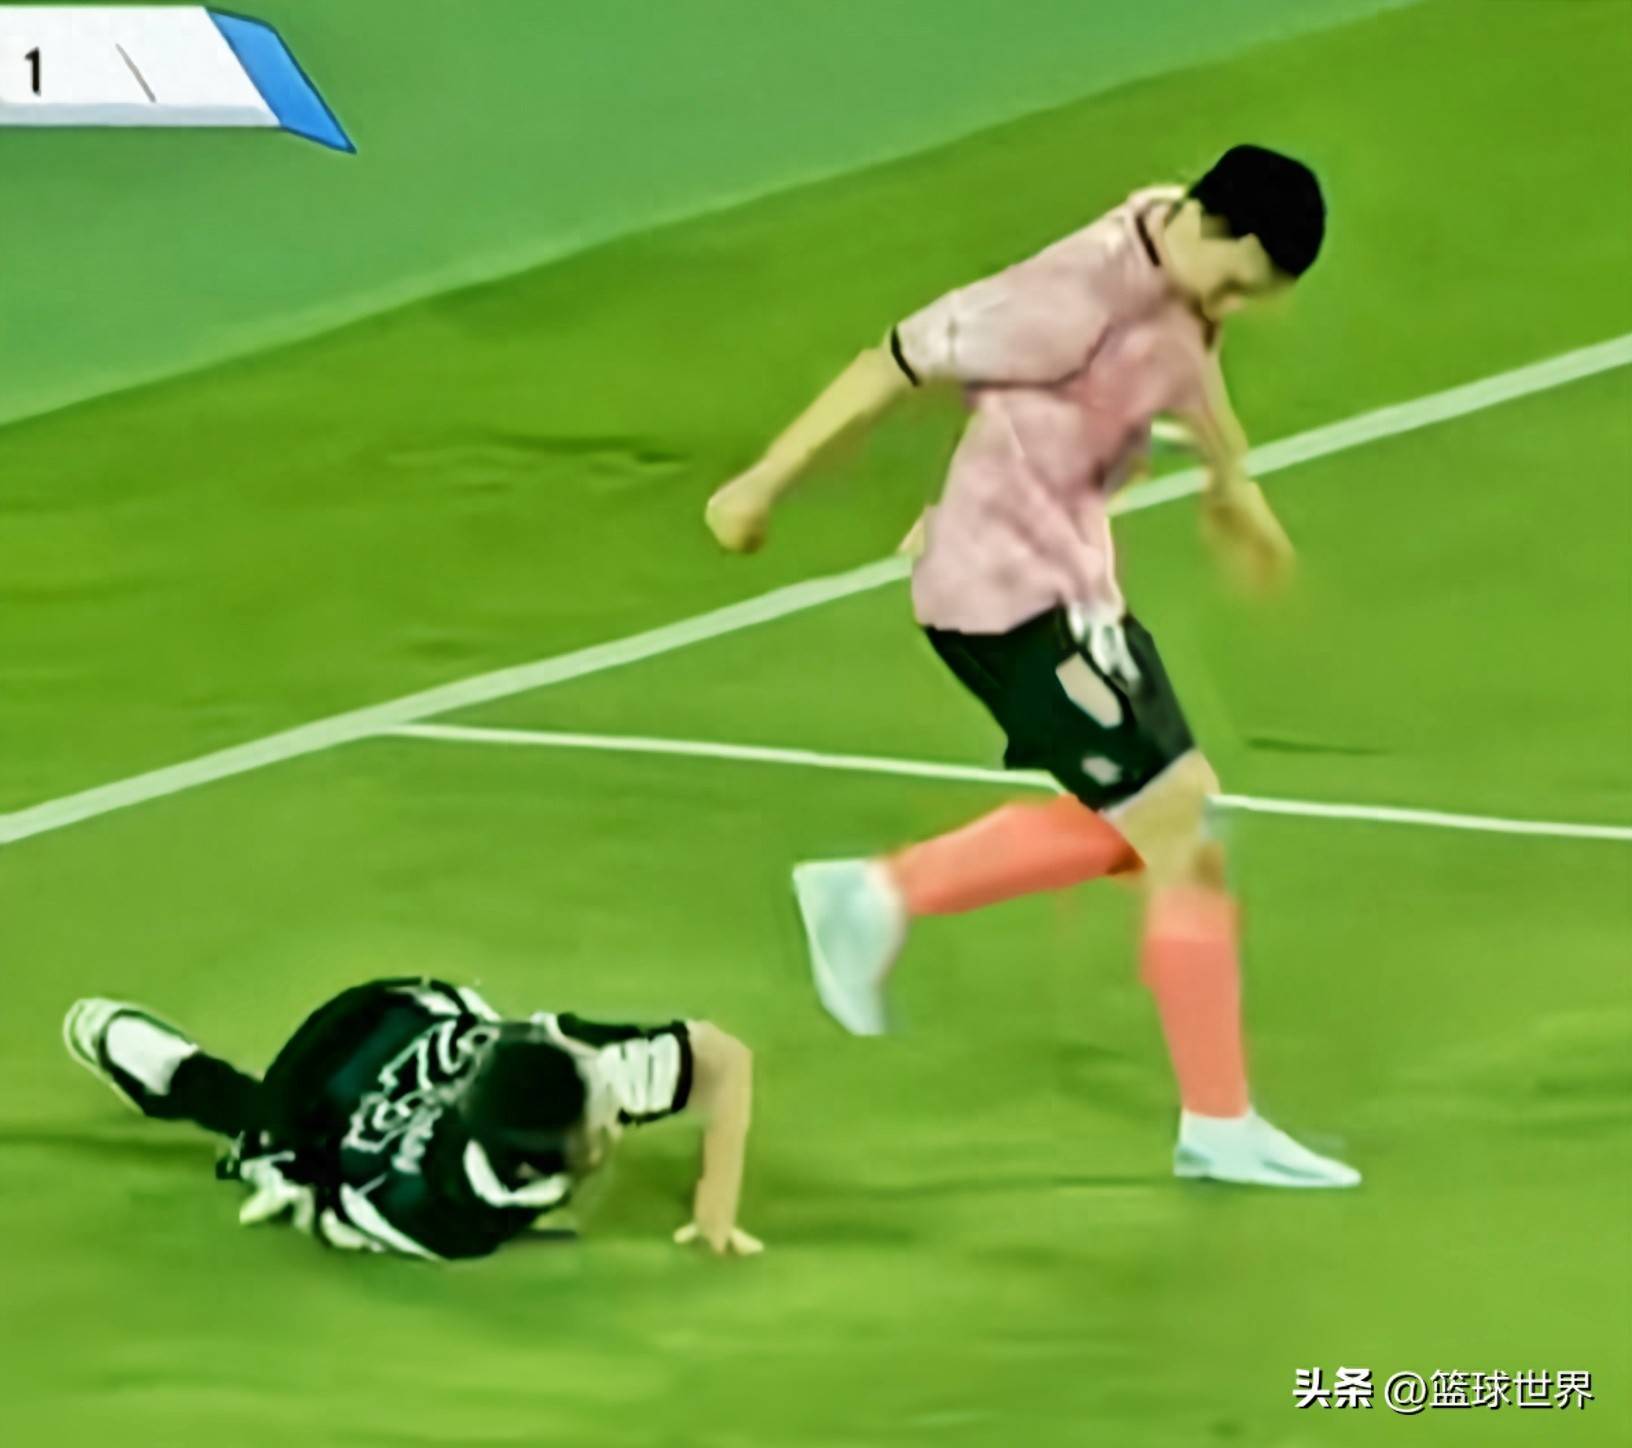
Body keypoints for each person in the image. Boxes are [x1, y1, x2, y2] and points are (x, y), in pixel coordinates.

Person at [704, 145, 1358, 1189]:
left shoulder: (1175, 244)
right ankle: (1216, 1121)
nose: (1232, 306)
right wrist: (760, 485)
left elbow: (1190, 360)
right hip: (1004, 598)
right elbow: (894, 359)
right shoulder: (1070, 296)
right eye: (1237, 283)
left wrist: (1230, 477)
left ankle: (876, 895)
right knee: (1179, 826)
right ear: (1211, 225)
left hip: (1075, 587)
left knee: (1165, 822)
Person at [63, 978, 761, 1258]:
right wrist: (286, 1169)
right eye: (589, 1131)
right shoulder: (448, 1213)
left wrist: (716, 1205)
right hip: (349, 1076)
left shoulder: (586, 1071)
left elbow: (726, 1059)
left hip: (407, 1013)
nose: (604, 1125)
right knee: (273, 1136)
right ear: (532, 1159)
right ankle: (179, 1078)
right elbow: (340, 1210)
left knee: (283, 1122)